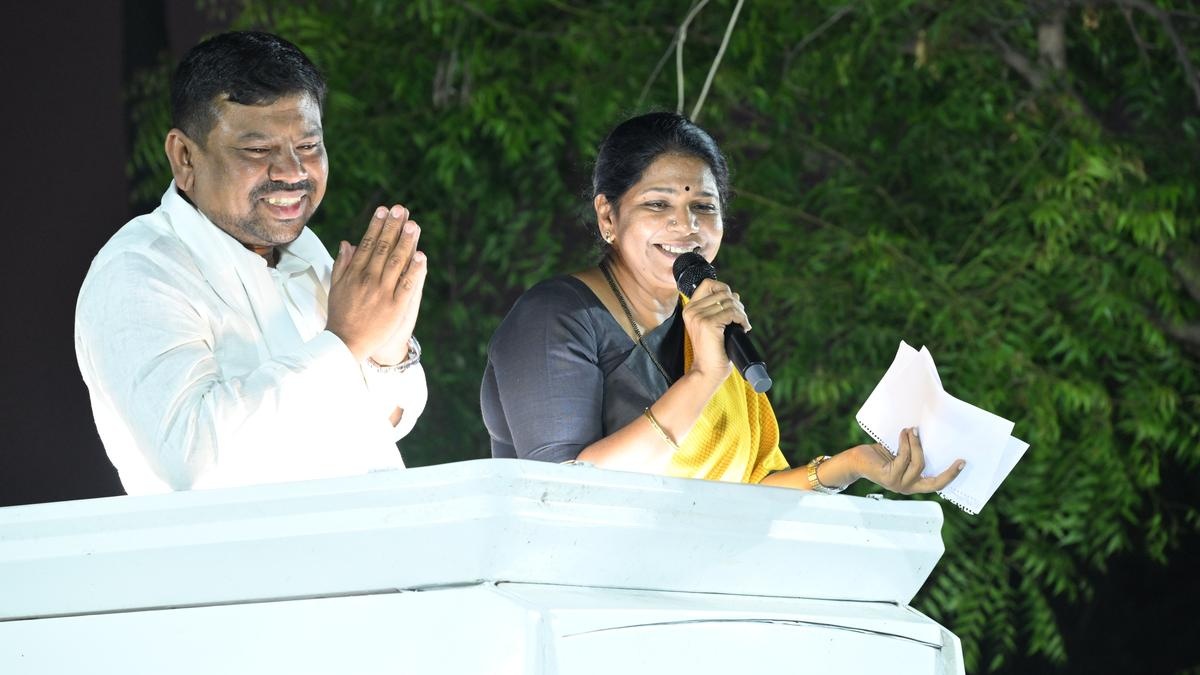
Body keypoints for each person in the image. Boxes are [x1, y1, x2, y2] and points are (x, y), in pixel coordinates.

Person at [481, 112, 964, 494]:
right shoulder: (554, 317)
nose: (686, 226)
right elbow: (562, 490)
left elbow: (749, 493)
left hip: (695, 578)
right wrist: (703, 377)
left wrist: (854, 464)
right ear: (608, 216)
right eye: (658, 204)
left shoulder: (705, 324)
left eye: (703, 207)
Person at [76, 31, 428, 494]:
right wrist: (346, 343)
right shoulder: (138, 271)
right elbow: (192, 461)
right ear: (185, 157)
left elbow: (386, 423)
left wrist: (389, 352)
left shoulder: (305, 253)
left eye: (309, 146)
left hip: (380, 535)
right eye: (258, 150)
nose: (292, 172)